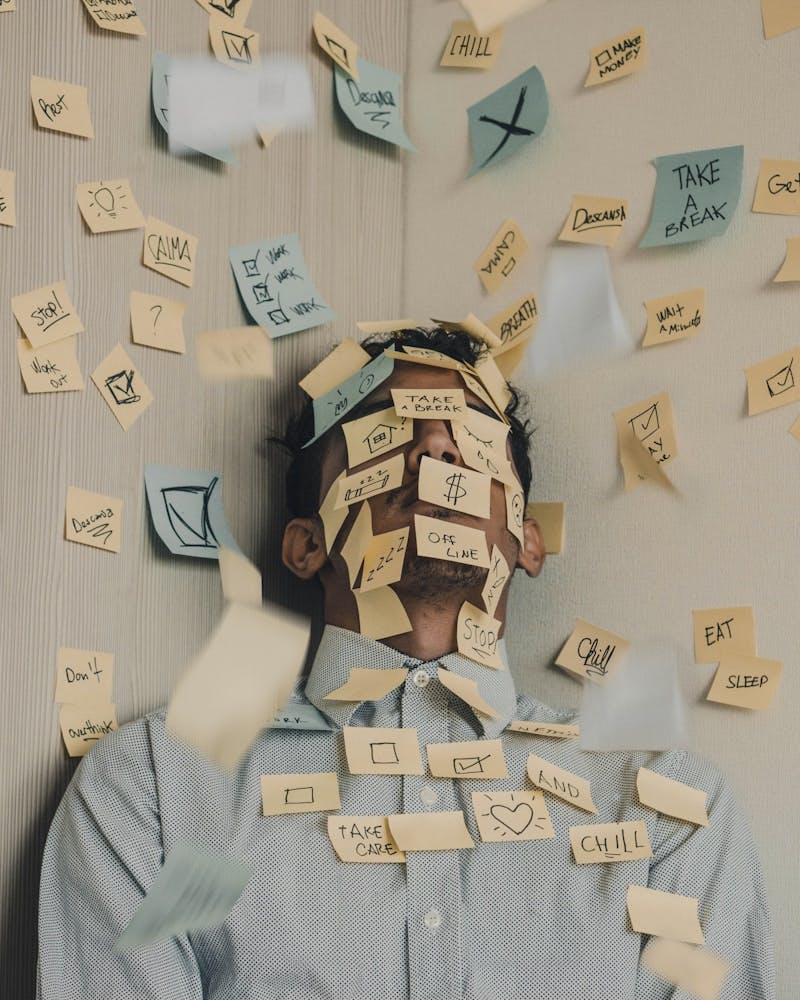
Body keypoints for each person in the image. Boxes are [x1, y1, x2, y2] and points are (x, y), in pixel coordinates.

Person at [38, 327, 775, 999]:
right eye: (385, 430)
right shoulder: (157, 788)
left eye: (472, 437)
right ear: (307, 545)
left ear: (525, 540)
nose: (435, 449)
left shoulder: (671, 811)